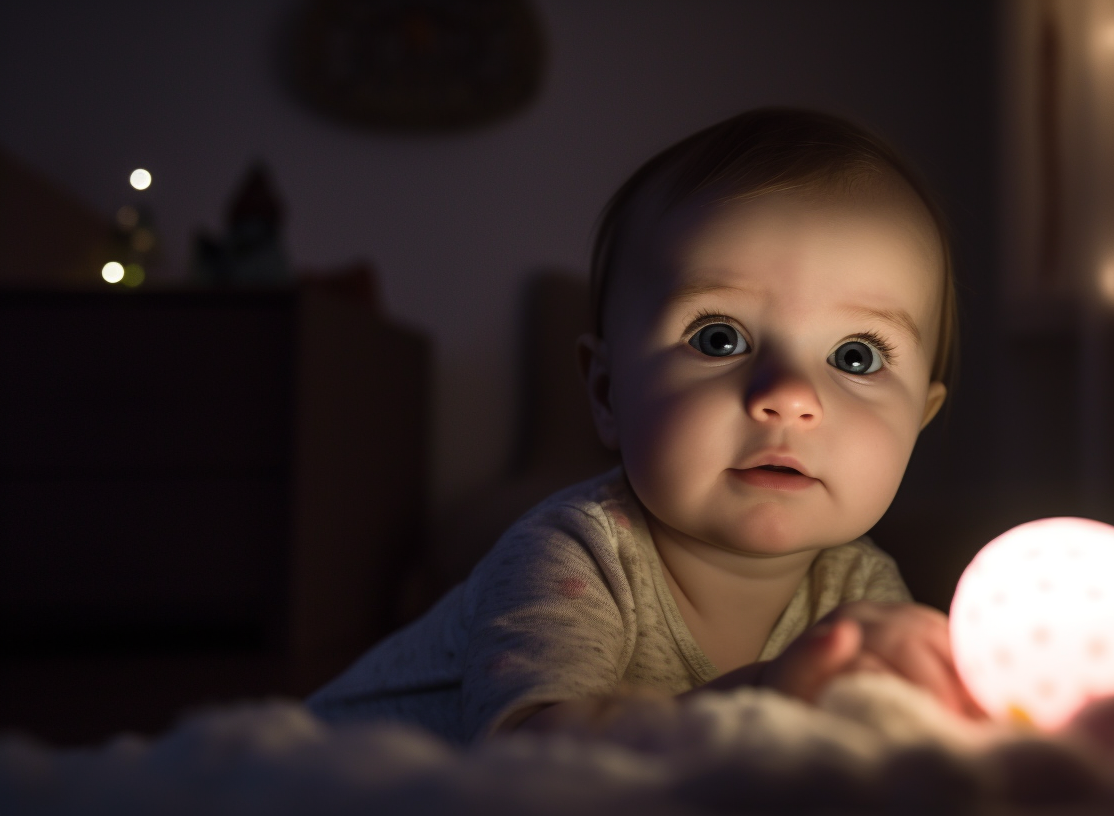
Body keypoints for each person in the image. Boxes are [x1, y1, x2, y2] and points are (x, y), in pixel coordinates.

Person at [308, 108, 979, 743]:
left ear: (918, 421)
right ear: (605, 393)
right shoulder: (572, 554)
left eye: (854, 356)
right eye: (719, 339)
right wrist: (768, 700)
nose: (789, 396)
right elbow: (533, 764)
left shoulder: (859, 590)